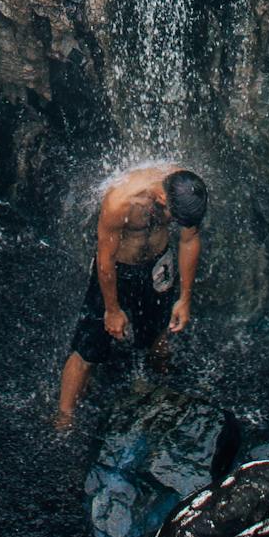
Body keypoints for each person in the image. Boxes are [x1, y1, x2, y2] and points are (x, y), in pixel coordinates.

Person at [56, 163, 208, 427]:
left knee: (161, 331)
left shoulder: (187, 190)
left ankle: (159, 379)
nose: (174, 223)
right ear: (162, 198)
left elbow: (188, 240)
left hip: (159, 265)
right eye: (174, 217)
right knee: (88, 348)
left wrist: (184, 298)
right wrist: (112, 310)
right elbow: (106, 259)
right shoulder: (121, 202)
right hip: (119, 270)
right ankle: (64, 417)